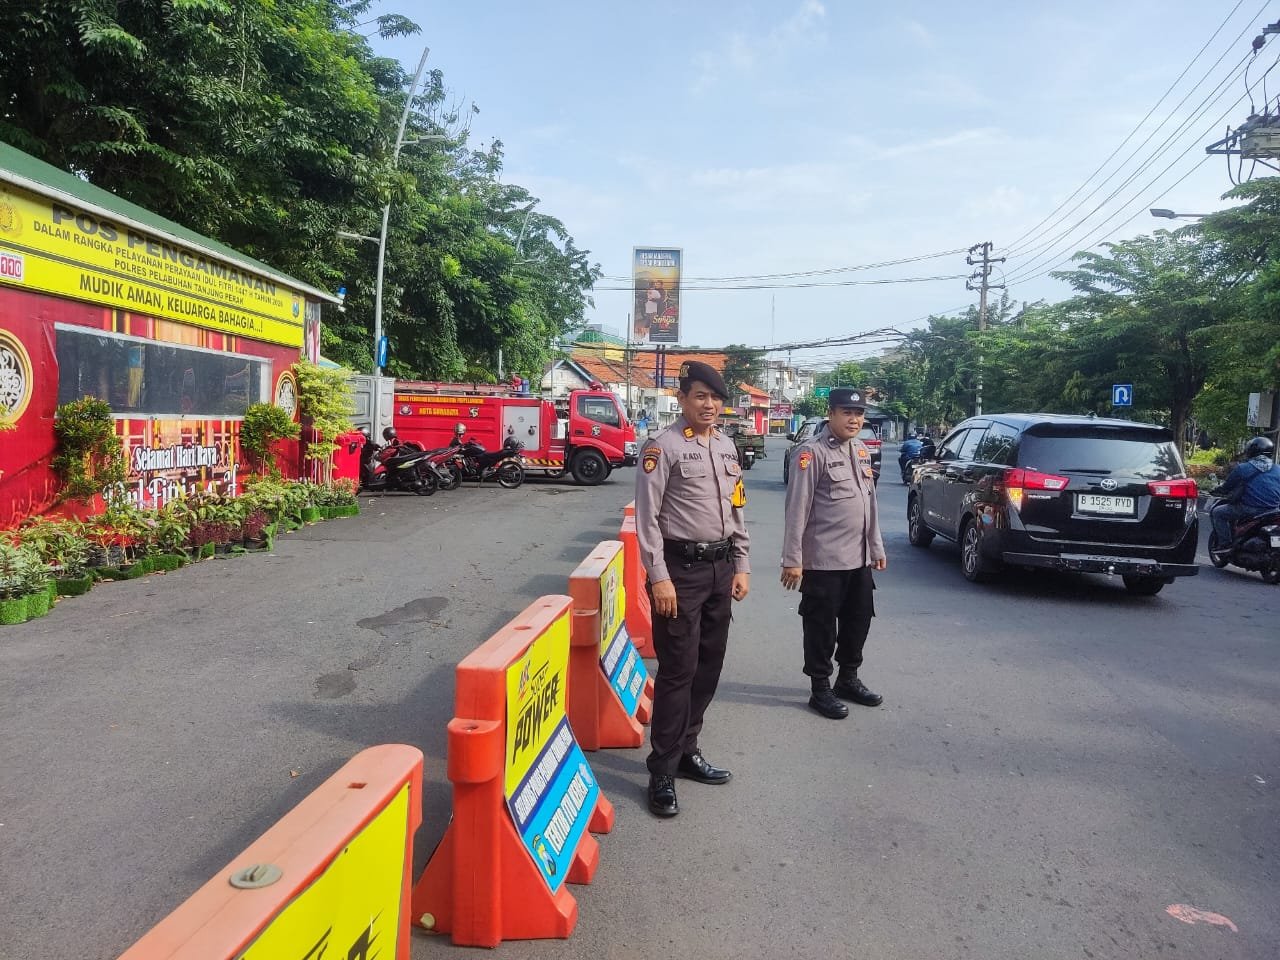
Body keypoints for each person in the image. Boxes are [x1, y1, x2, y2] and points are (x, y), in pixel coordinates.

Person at [634, 360, 750, 818]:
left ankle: (687, 750)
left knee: (708, 668)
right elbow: (647, 519)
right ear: (682, 399)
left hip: (721, 568)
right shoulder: (662, 447)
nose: (709, 405)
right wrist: (658, 576)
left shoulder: (726, 446)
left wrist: (741, 564)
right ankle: (662, 771)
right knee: (678, 671)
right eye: (700, 396)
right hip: (679, 572)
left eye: (716, 398)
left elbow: (737, 509)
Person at [780, 388, 887, 720]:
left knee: (859, 620)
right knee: (821, 626)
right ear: (831, 414)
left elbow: (869, 503)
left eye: (859, 413)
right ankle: (820, 688)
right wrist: (793, 559)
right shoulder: (811, 453)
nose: (854, 419)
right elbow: (796, 508)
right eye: (846, 412)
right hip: (824, 559)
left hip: (858, 558)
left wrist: (876, 546)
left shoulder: (861, 450)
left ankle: (848, 679)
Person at [1210, 436, 1280, 552]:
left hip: (1250, 509)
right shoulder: (1278, 469)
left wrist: (1216, 490)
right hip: (1274, 511)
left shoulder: (1243, 468)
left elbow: (1227, 487)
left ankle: (1225, 545)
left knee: (1217, 512)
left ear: (1252, 451)